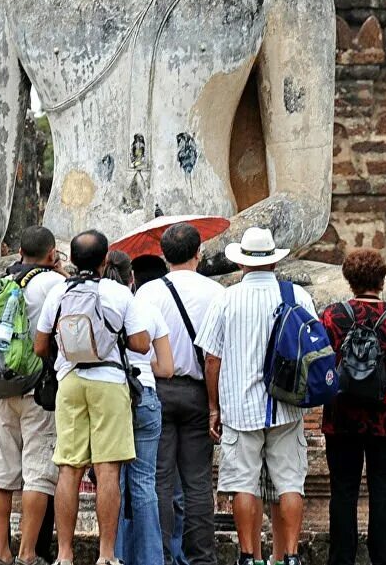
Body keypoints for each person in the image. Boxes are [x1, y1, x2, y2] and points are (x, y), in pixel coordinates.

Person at [34, 229, 153, 565]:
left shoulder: (57, 292)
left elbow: (40, 346)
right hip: (109, 382)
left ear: (71, 260)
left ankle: (65, 555)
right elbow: (143, 344)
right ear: (105, 260)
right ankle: (106, 555)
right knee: (107, 470)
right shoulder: (117, 293)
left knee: (69, 468)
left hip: (70, 380)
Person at [198, 227, 312, 565]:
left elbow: (212, 359)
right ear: (274, 263)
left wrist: (213, 407)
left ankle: (248, 556)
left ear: (243, 264)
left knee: (242, 483)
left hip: (239, 406)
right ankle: (290, 555)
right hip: (287, 406)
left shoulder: (227, 298)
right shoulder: (297, 297)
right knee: (290, 482)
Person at [318, 247, 386, 565]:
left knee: (343, 491)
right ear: (382, 280)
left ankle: (341, 559)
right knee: (382, 490)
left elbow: (321, 363)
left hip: (341, 417)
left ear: (349, 279)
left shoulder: (332, 316)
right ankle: (384, 558)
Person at [132, 221, 223, 565]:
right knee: (198, 480)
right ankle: (202, 558)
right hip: (201, 392)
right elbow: (217, 355)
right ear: (200, 253)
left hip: (158, 390)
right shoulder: (216, 293)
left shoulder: (148, 293)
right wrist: (217, 405)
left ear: (162, 254)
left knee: (159, 481)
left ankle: (163, 557)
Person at [0, 225, 66, 565]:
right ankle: (28, 552)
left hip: (3, 389)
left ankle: (2, 553)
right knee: (38, 472)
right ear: (51, 254)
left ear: (20, 252)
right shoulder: (55, 284)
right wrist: (60, 271)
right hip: (40, 389)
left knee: (1, 474)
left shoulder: (5, 283)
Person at [111, 251, 171, 565]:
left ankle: (115, 555)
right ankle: (151, 559)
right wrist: (144, 363)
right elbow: (168, 367)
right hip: (145, 393)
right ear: (131, 278)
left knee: (114, 482)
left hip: (112, 395)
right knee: (145, 482)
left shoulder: (99, 304)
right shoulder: (145, 308)